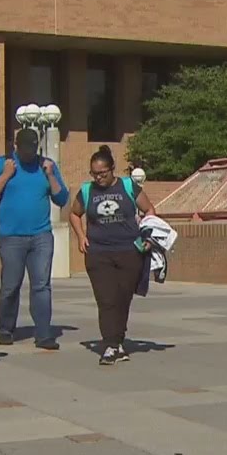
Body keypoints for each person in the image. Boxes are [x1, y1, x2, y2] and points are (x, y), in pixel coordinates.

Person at [0, 127, 69, 350]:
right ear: (16, 146)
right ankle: (6, 328)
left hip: (41, 235)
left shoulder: (46, 165)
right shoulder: (2, 164)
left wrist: (49, 175)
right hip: (11, 237)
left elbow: (62, 198)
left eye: (33, 148)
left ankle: (44, 333)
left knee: (41, 285)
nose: (30, 153)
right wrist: (6, 176)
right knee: (10, 285)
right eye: (25, 148)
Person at [70, 145, 156, 365]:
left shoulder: (128, 186)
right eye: (95, 174)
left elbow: (150, 210)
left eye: (103, 173)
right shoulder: (87, 191)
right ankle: (110, 345)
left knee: (122, 298)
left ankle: (118, 341)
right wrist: (81, 236)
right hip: (99, 252)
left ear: (112, 169)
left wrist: (147, 234)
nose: (99, 178)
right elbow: (74, 213)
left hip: (129, 251)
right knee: (106, 299)